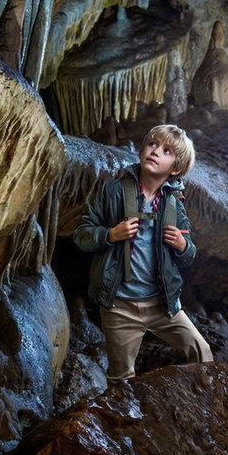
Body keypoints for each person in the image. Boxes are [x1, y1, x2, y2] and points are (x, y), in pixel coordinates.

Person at [73, 124, 213, 383]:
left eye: (166, 150)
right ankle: (123, 421)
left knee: (202, 352)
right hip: (120, 305)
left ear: (176, 169)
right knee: (121, 379)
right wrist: (109, 235)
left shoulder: (173, 205)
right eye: (152, 144)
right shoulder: (112, 192)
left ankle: (207, 409)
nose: (155, 151)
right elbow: (81, 234)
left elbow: (188, 256)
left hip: (162, 305)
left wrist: (183, 247)